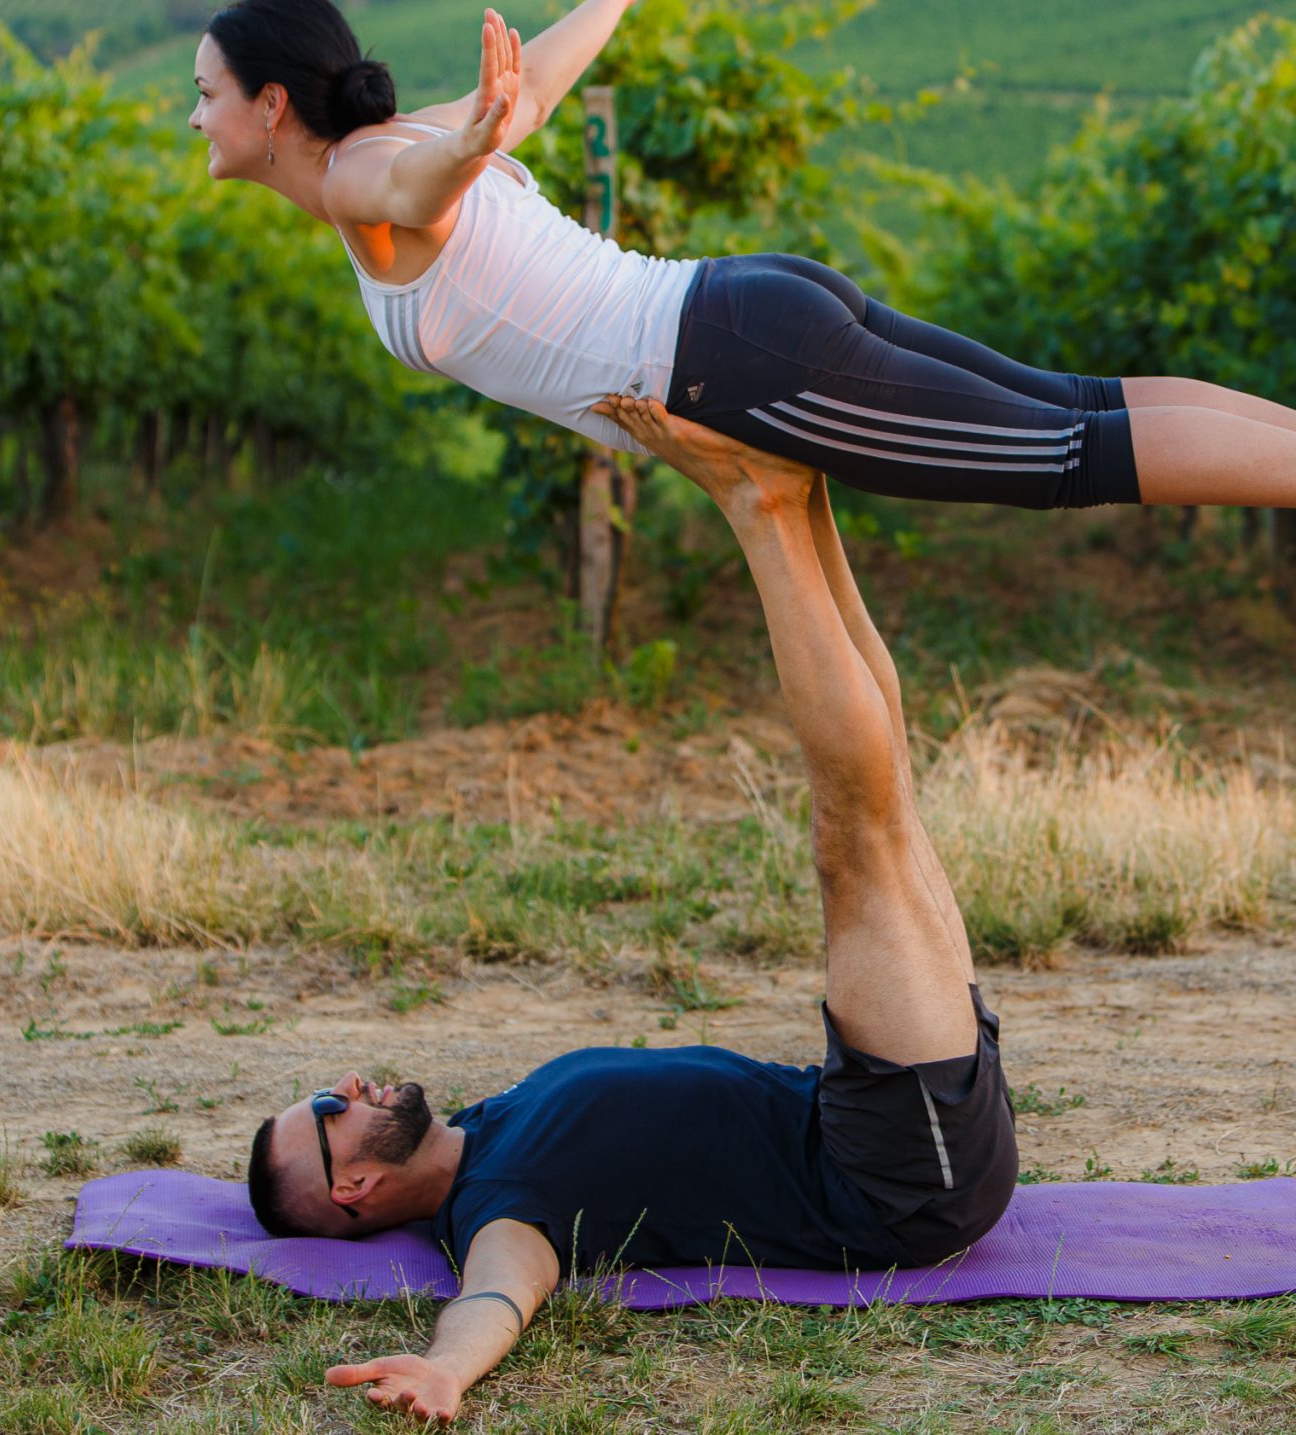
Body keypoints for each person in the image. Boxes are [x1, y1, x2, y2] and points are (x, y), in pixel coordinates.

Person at [189, 0, 1296, 603]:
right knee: (1076, 406)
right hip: (747, 308)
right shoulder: (398, 144)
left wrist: (475, 143)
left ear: (273, 104)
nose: (194, 115)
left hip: (735, 364)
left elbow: (431, 170)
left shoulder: (366, 172)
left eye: (206, 92)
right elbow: (528, 88)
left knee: (1071, 457)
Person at [245, 397, 1022, 1424]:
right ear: (351, 1190)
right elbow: (495, 1297)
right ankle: (755, 505)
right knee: (856, 830)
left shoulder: (488, 1127)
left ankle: (801, 496)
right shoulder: (495, 1212)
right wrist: (448, 1367)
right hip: (894, 1173)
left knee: (888, 792)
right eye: (329, 1111)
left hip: (871, 1113)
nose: (347, 1086)